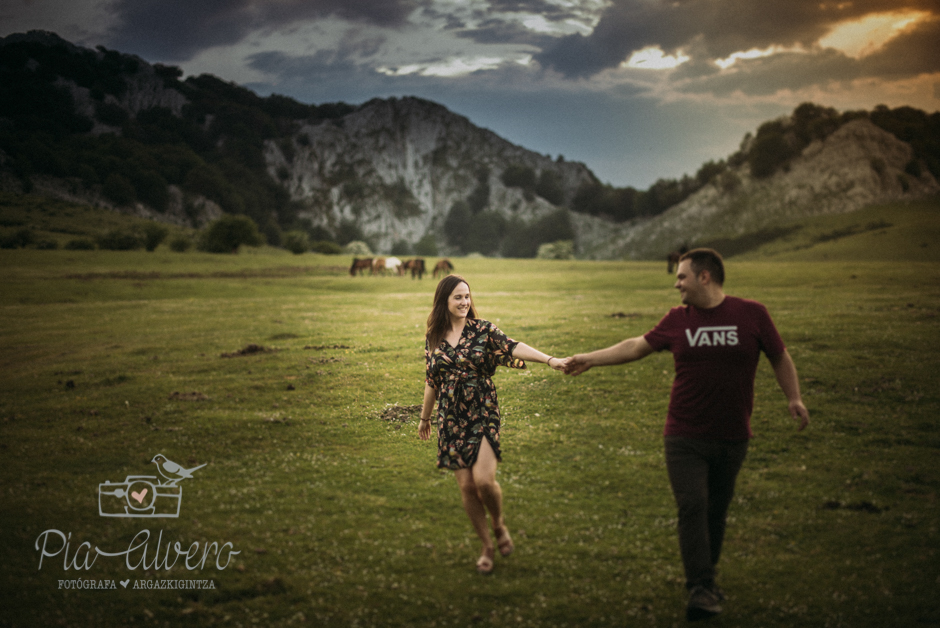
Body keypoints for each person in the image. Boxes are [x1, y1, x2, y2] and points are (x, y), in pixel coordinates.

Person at [562, 248, 809, 621]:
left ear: (704, 277)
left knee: (716, 510)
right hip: (684, 434)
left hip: (732, 434)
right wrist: (589, 358)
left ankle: (706, 580)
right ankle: (700, 586)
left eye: (682, 277)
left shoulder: (751, 314)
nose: (676, 283)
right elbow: (636, 346)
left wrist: (794, 397)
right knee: (692, 505)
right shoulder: (679, 320)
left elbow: (779, 355)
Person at [419, 274, 564, 574]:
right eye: (458, 297)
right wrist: (424, 418)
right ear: (444, 300)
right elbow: (432, 380)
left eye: (467, 296)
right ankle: (486, 543)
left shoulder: (483, 330)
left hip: (482, 409)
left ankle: (498, 524)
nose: (464, 302)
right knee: (468, 488)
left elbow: (512, 346)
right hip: (450, 417)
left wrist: (549, 360)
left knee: (484, 480)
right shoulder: (433, 336)